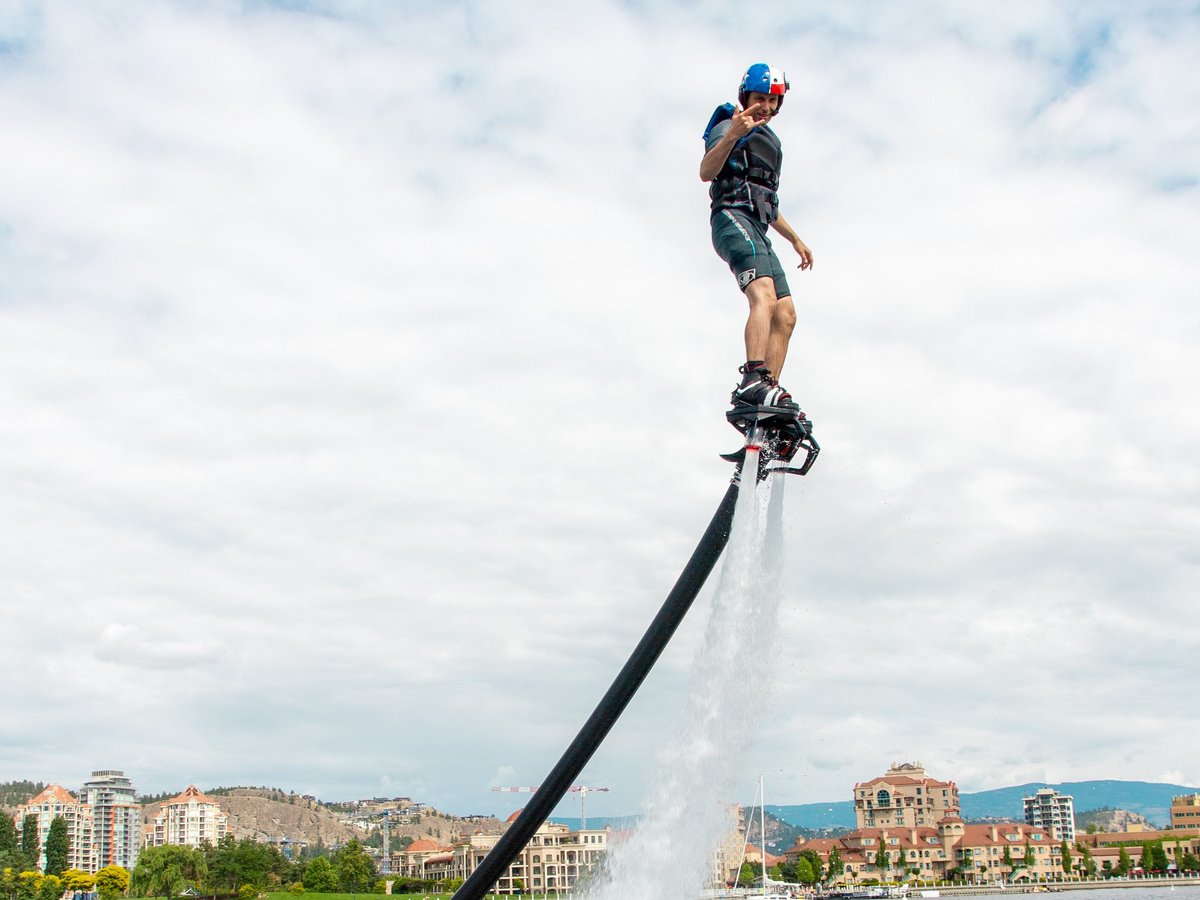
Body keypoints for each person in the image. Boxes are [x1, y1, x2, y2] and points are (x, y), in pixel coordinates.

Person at [700, 63, 814, 411]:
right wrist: (733, 134)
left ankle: (768, 394)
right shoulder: (729, 124)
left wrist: (795, 239)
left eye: (772, 101)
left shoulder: (771, 143)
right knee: (762, 292)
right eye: (759, 98)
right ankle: (753, 379)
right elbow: (707, 172)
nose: (765, 106)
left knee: (786, 312)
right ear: (745, 96)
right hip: (730, 218)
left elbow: (766, 202)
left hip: (758, 228)